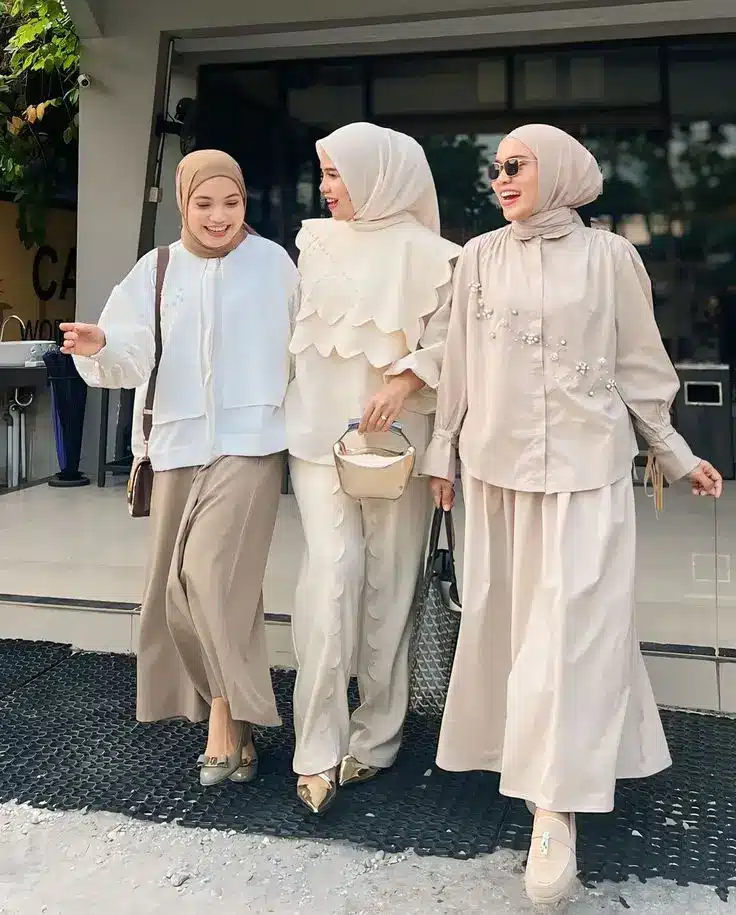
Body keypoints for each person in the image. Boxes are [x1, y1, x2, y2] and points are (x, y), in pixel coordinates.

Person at [423, 124, 723, 905]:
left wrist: (674, 450)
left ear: (556, 169)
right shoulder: (480, 257)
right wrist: (439, 450)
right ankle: (546, 771)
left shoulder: (612, 258)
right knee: (521, 630)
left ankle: (554, 809)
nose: (501, 178)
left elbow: (640, 365)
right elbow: (457, 360)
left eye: (515, 165)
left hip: (589, 473)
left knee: (573, 632)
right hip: (496, 474)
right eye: (496, 169)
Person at [61, 150, 298, 787]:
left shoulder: (274, 265)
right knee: (182, 592)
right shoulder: (156, 269)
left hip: (252, 440)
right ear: (182, 202)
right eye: (204, 204)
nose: (220, 217)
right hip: (175, 444)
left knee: (206, 575)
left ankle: (224, 715)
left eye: (232, 202)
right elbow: (132, 351)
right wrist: (102, 345)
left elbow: (304, 348)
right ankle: (238, 720)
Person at [285, 122, 461, 814]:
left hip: (399, 450)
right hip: (317, 441)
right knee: (332, 577)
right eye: (323, 173)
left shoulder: (438, 258)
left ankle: (379, 734)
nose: (327, 188)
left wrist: (404, 382)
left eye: (338, 174)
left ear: (381, 174)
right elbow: (289, 339)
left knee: (391, 586)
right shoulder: (311, 245)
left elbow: (452, 348)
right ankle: (316, 746)